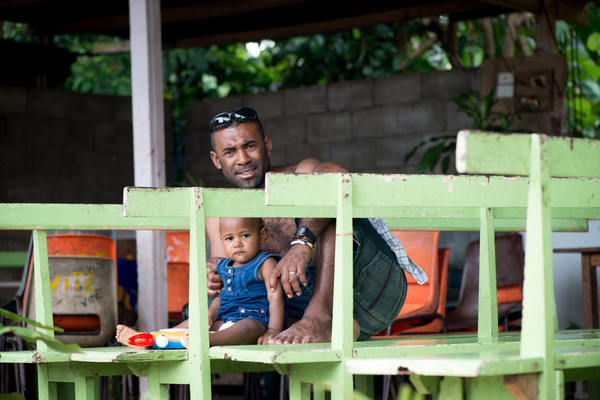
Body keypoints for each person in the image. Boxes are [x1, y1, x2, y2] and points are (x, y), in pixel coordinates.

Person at [204, 107, 427, 344]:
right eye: (230, 151)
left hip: (373, 288)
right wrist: (216, 274)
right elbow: (224, 277)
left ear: (267, 145)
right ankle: (333, 327)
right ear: (216, 160)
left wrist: (302, 243)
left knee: (324, 200)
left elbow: (336, 176)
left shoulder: (301, 173)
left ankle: (319, 318)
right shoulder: (221, 215)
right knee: (256, 307)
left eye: (250, 146)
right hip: (305, 313)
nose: (243, 158)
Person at [115, 216, 285, 347]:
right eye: (229, 238)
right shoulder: (224, 266)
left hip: (255, 322)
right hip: (225, 321)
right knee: (194, 321)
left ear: (262, 236)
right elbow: (223, 297)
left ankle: (205, 340)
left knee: (245, 327)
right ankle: (148, 338)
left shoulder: (265, 263)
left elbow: (276, 298)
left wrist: (273, 330)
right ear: (221, 240)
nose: (237, 243)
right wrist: (210, 314)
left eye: (245, 235)